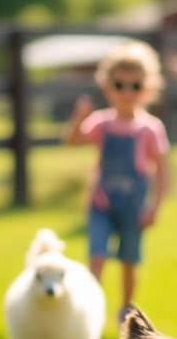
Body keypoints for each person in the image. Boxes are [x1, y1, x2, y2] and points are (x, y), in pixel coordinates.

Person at [66, 41, 170, 321]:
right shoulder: (102, 122)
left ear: (147, 89)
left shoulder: (150, 128)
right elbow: (73, 141)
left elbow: (162, 171)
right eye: (119, 84)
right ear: (107, 86)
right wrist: (79, 117)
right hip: (102, 203)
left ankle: (126, 309)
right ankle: (91, 309)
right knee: (97, 256)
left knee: (128, 260)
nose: (126, 92)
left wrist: (155, 207)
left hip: (133, 207)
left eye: (135, 86)